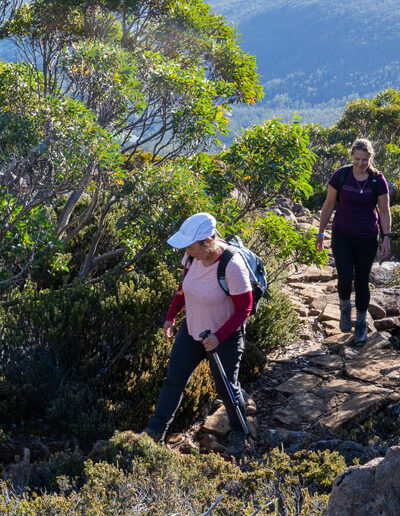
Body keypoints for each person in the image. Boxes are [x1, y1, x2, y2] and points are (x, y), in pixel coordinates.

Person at [143, 212, 253, 457]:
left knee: (226, 387)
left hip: (224, 336)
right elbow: (183, 289)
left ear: (208, 242)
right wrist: (171, 316)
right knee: (174, 380)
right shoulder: (191, 258)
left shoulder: (232, 265)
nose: (187, 251)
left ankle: (240, 434)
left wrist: (219, 336)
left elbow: (244, 308)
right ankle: (155, 431)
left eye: (191, 246)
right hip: (192, 329)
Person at [316, 138, 391, 345]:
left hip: (367, 237)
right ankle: (344, 310)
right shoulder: (341, 175)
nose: (360, 163)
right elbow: (329, 204)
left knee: (361, 280)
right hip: (342, 235)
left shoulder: (378, 180)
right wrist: (321, 232)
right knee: (344, 277)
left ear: (370, 158)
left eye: (364, 159)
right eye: (357, 159)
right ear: (351, 157)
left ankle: (360, 325)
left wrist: (386, 237)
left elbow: (384, 211)